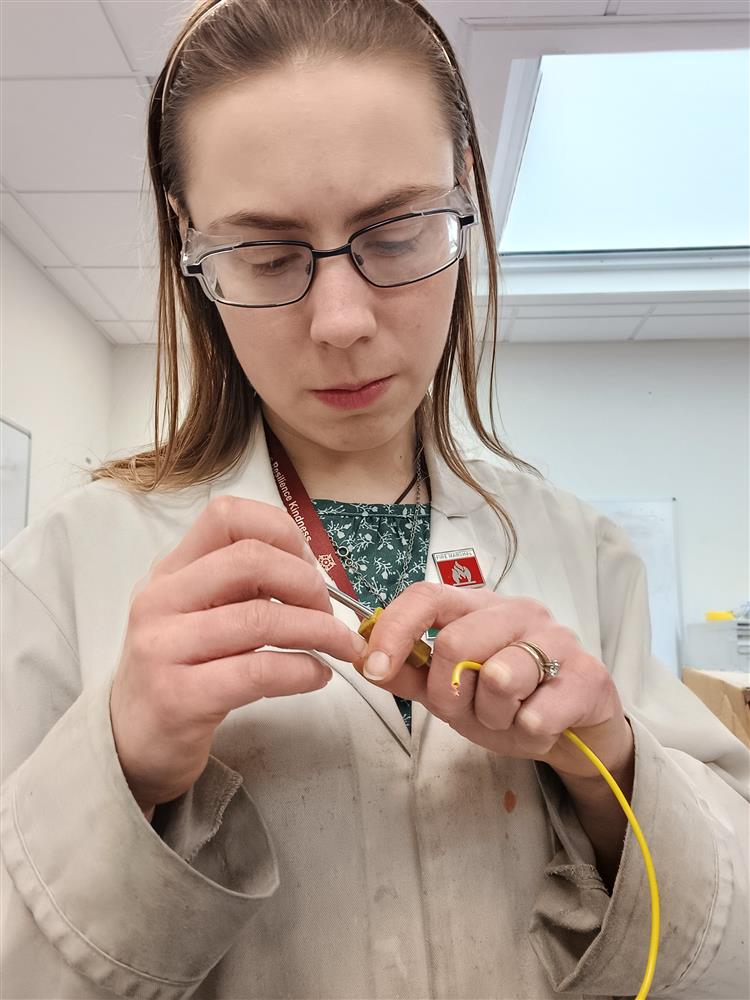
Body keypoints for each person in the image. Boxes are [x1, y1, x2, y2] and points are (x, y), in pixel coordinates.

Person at [1, 1, 748, 998]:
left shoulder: (585, 552)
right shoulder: (66, 567)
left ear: (463, 199)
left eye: (395, 234)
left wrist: (609, 765)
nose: (342, 321)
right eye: (268, 256)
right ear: (193, 251)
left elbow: (732, 946)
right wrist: (123, 773)